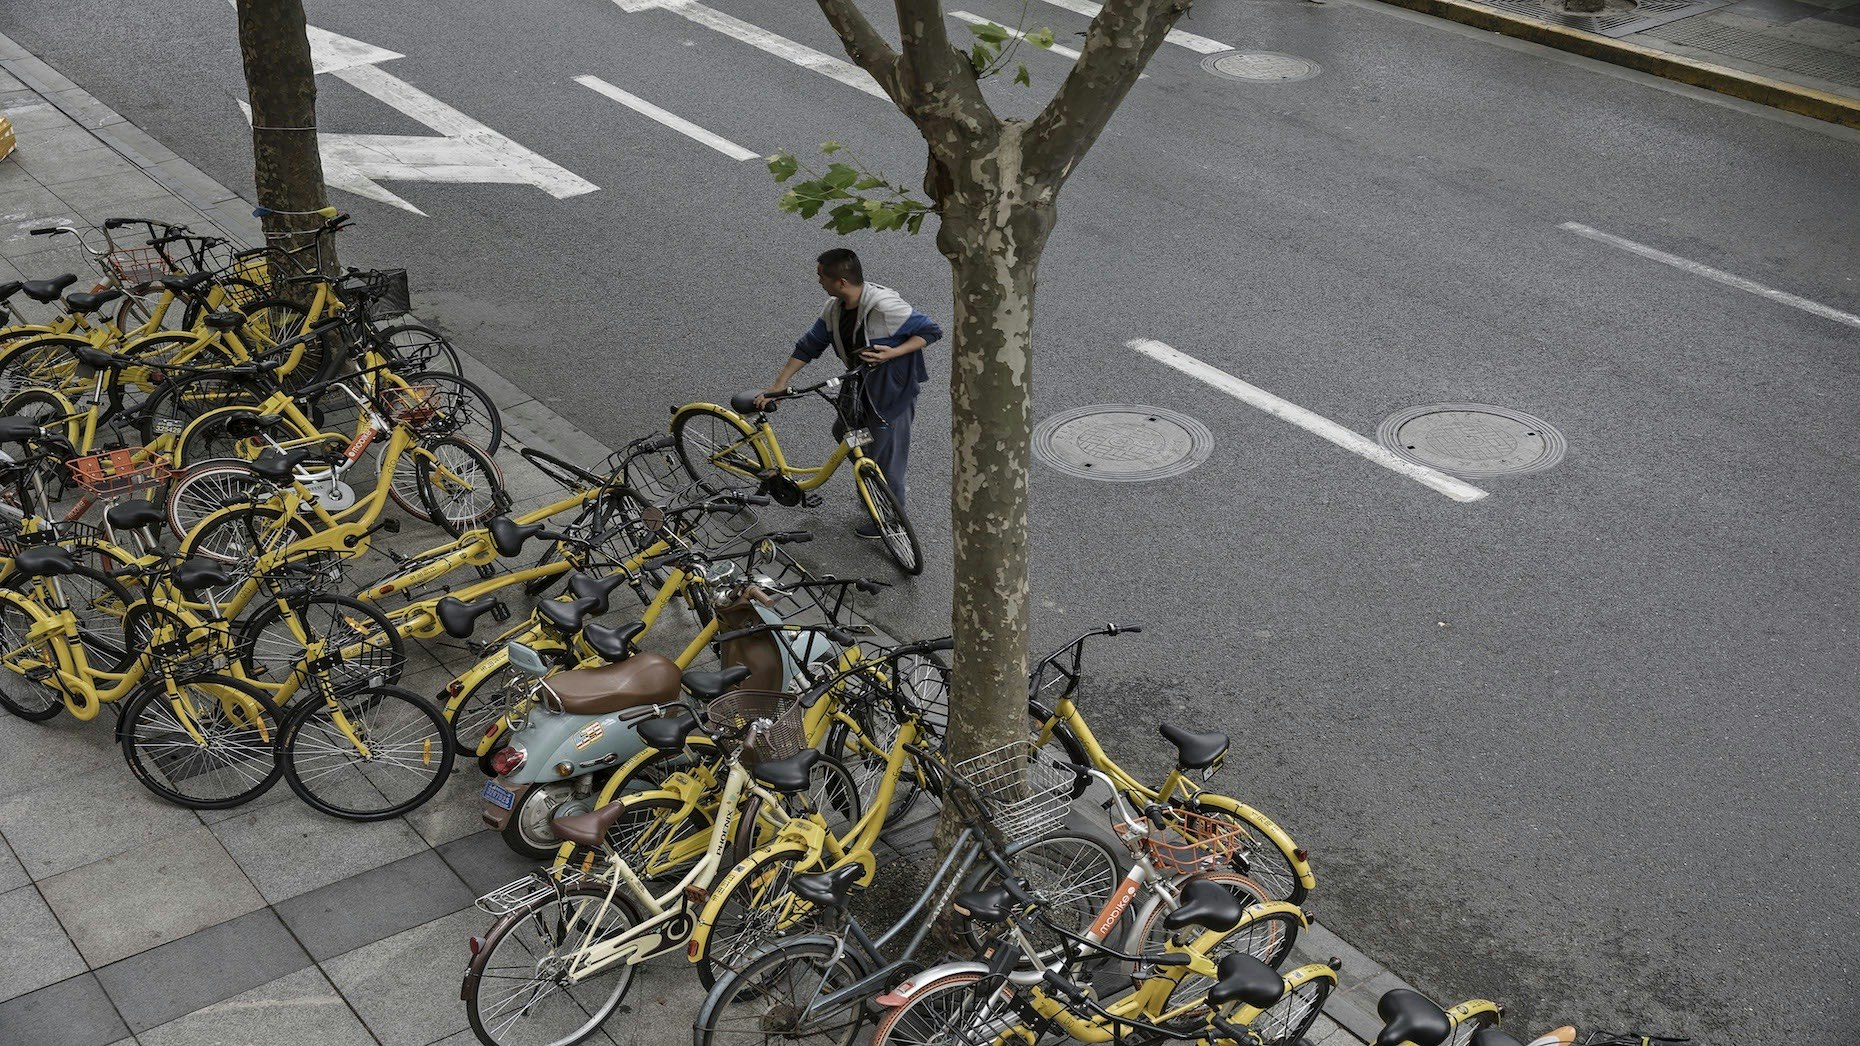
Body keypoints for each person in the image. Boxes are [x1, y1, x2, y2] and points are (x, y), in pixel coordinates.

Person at [758, 248, 942, 538]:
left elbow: (931, 331)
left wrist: (893, 353)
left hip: (891, 392)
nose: (818, 281)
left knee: (886, 457)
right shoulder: (835, 309)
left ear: (841, 281)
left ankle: (891, 520)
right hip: (858, 384)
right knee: (844, 432)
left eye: (821, 276)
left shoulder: (884, 306)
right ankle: (872, 483)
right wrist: (779, 384)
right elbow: (809, 345)